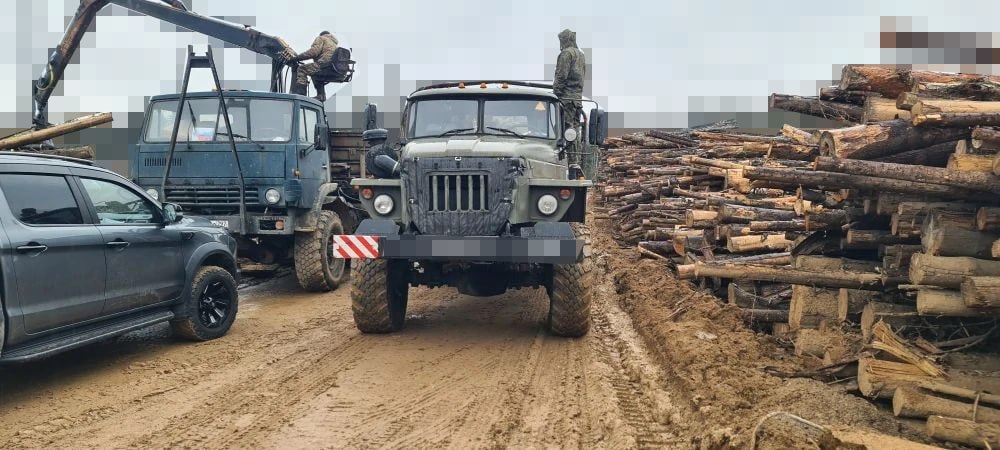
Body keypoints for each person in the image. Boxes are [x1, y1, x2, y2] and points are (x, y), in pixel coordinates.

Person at [553, 29, 586, 164]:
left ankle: (569, 162)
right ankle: (575, 161)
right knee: (575, 130)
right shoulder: (581, 55)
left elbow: (561, 76)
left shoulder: (566, 54)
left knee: (565, 129)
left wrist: (556, 94)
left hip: (566, 99)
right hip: (577, 99)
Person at [290, 31, 339, 101]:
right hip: (332, 67)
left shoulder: (321, 38)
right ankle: (321, 95)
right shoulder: (334, 43)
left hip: (323, 65)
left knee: (302, 69)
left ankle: (301, 95)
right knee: (315, 72)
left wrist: (297, 57)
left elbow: (313, 52)